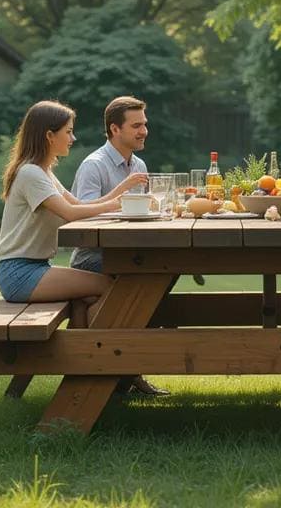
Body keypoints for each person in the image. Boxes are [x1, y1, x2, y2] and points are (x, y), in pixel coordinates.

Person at [0, 101, 148, 331]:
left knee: (91, 294)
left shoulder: (44, 172)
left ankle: (81, 351)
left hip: (34, 268)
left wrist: (121, 192)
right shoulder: (31, 174)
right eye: (68, 132)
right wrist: (115, 205)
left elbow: (80, 204)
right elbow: (70, 214)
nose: (72, 138)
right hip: (20, 273)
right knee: (111, 286)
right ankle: (87, 351)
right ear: (49, 135)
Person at [67, 96, 170, 397]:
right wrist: (123, 192)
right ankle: (114, 374)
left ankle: (125, 373)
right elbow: (82, 219)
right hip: (92, 260)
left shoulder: (138, 164)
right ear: (115, 129)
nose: (144, 131)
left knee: (161, 280)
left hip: (131, 256)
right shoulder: (94, 166)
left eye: (145, 124)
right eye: (136, 125)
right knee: (147, 286)